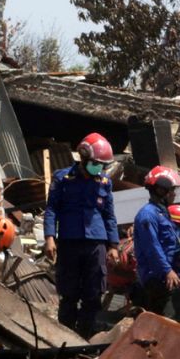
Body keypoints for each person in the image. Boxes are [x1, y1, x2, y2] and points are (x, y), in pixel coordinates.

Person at [43, 133, 119, 336]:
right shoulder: (63, 178)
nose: (99, 168)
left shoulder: (104, 182)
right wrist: (50, 237)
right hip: (69, 243)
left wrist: (113, 246)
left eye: (102, 165)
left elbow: (109, 215)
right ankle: (65, 335)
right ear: (84, 158)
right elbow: (52, 209)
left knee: (93, 293)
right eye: (96, 163)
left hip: (96, 244)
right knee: (69, 293)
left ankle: (86, 335)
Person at [131, 166, 180, 319]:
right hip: (154, 275)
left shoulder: (161, 212)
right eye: (172, 190)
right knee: (167, 317)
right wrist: (167, 271)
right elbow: (152, 247)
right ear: (161, 191)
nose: (174, 194)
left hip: (161, 273)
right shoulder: (148, 215)